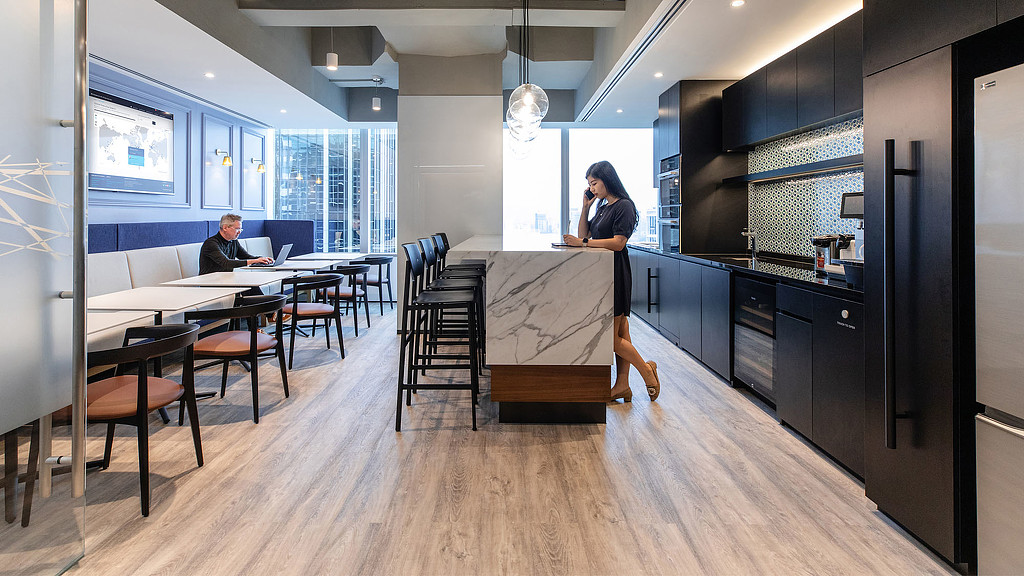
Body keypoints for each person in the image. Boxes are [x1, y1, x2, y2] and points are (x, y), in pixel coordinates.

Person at [562, 161, 661, 402]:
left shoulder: (624, 206)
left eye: (594, 183)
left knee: (608, 336)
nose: (592, 188)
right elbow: (585, 234)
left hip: (615, 273)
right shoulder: (603, 207)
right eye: (589, 185)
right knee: (621, 331)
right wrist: (585, 208)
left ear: (607, 179)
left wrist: (582, 243)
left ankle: (646, 371)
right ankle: (622, 385)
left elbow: (618, 243)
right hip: (603, 273)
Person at [199, 214, 272, 275]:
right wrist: (254, 261)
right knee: (249, 285)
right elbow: (226, 263)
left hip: (226, 279)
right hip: (210, 282)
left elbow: (246, 257)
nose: (239, 232)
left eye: (240, 229)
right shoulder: (211, 243)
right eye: (237, 229)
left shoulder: (233, 241)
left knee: (252, 286)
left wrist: (262, 259)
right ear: (225, 228)